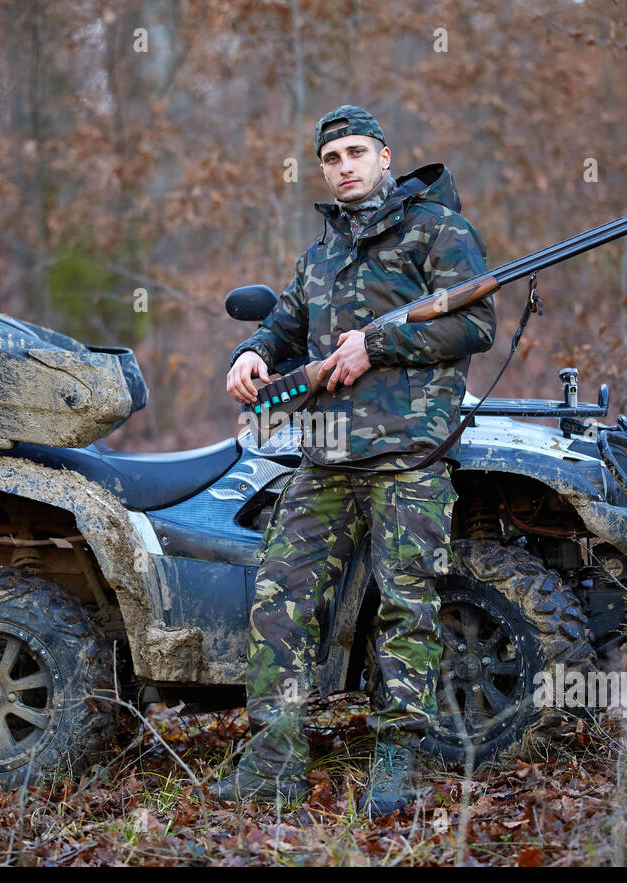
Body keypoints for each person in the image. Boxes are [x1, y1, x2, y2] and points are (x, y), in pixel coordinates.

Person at [217, 105, 496, 816]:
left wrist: (379, 346)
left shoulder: (438, 231)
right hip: (327, 459)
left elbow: (475, 324)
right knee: (279, 603)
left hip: (410, 453)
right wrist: (251, 355)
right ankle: (270, 764)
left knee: (407, 609)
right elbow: (283, 325)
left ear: (385, 156)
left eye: (356, 152)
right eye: (331, 157)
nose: (344, 166)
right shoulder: (321, 254)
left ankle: (396, 765)